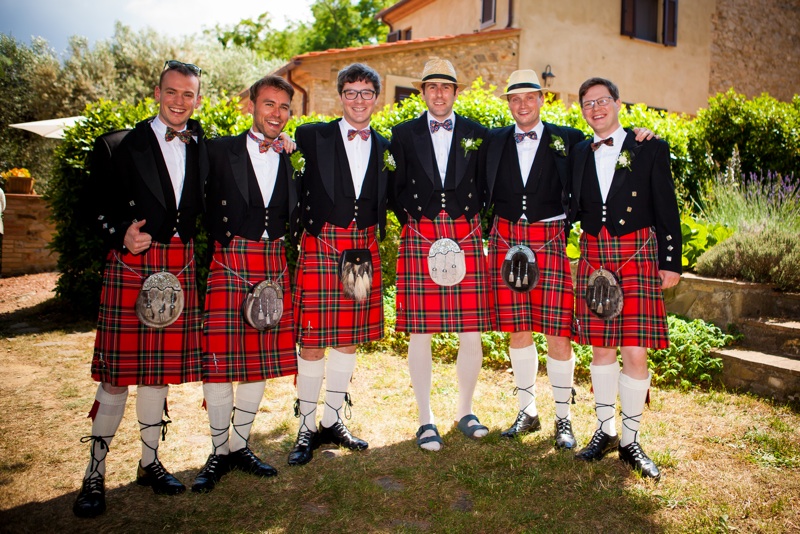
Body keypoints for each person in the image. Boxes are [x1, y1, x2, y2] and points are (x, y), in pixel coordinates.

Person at [73, 60, 206, 518]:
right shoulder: (116, 146)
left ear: (198, 99)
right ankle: (94, 473)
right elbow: (91, 206)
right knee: (115, 376)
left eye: (188, 94)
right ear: (157, 92)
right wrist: (119, 235)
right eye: (172, 92)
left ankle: (150, 462)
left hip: (178, 263)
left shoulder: (203, 142)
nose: (178, 101)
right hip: (133, 265)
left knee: (158, 373)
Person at [191, 75, 299, 492]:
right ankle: (218, 452)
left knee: (259, 360)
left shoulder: (294, 155)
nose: (276, 113)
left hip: (272, 262)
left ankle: (240, 445)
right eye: (268, 104)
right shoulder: (219, 151)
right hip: (232, 259)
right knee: (219, 360)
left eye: (284, 107)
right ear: (251, 106)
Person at [569, 77, 681, 479]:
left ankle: (631, 441)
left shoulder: (648, 147)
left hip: (635, 256)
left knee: (634, 351)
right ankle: (605, 431)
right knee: (601, 350)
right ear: (581, 110)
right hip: (597, 256)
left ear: (617, 103)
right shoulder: (579, 151)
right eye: (587, 103)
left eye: (602, 101)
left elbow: (667, 207)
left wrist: (671, 261)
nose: (596, 108)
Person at [288, 63, 390, 466]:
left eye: (367, 92)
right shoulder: (310, 136)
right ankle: (304, 428)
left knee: (348, 336)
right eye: (351, 92)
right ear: (340, 96)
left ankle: (332, 421)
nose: (359, 100)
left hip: (361, 246)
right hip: (322, 242)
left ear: (376, 99)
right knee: (312, 341)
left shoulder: (386, 145)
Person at [389, 58, 491, 451]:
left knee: (471, 326)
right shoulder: (402, 134)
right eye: (431, 87)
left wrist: (467, 219)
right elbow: (394, 186)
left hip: (464, 230)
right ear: (423, 92)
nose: (439, 93)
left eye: (445, 87)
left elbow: (486, 183)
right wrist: (415, 219)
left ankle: (465, 410)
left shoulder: (477, 133)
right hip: (421, 230)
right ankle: (424, 418)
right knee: (421, 328)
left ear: (455, 92)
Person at [481, 70, 586, 449]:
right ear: (508, 104)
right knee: (518, 328)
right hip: (507, 237)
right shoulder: (492, 141)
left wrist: (642, 137)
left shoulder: (570, 139)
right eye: (514, 99)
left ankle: (564, 419)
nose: (522, 105)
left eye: (529, 97)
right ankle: (527, 410)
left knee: (558, 331)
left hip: (550, 237)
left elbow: (603, 160)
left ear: (543, 99)